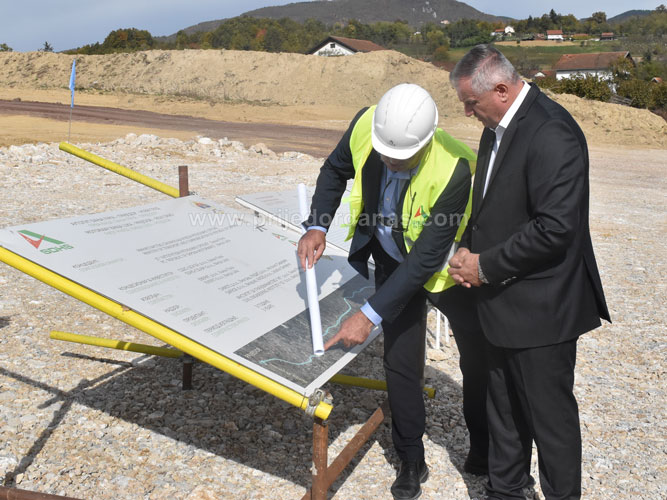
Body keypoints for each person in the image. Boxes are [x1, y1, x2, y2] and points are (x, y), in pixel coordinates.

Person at [297, 83, 478, 500]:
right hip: (393, 261)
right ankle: (411, 457)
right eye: (384, 154)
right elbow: (335, 169)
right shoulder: (367, 125)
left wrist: (368, 314)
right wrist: (318, 224)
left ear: (426, 142)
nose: (388, 163)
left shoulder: (455, 167)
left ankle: (485, 449)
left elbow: (427, 258)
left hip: (449, 271)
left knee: (479, 358)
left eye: (401, 158)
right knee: (400, 361)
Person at [447, 44, 611, 500]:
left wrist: (484, 266)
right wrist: (468, 249)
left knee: (548, 420)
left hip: (542, 308)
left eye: (471, 103)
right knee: (503, 410)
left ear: (501, 89)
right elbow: (494, 208)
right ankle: (506, 490)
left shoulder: (552, 132)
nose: (467, 112)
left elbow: (555, 229)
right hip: (499, 301)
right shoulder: (495, 128)